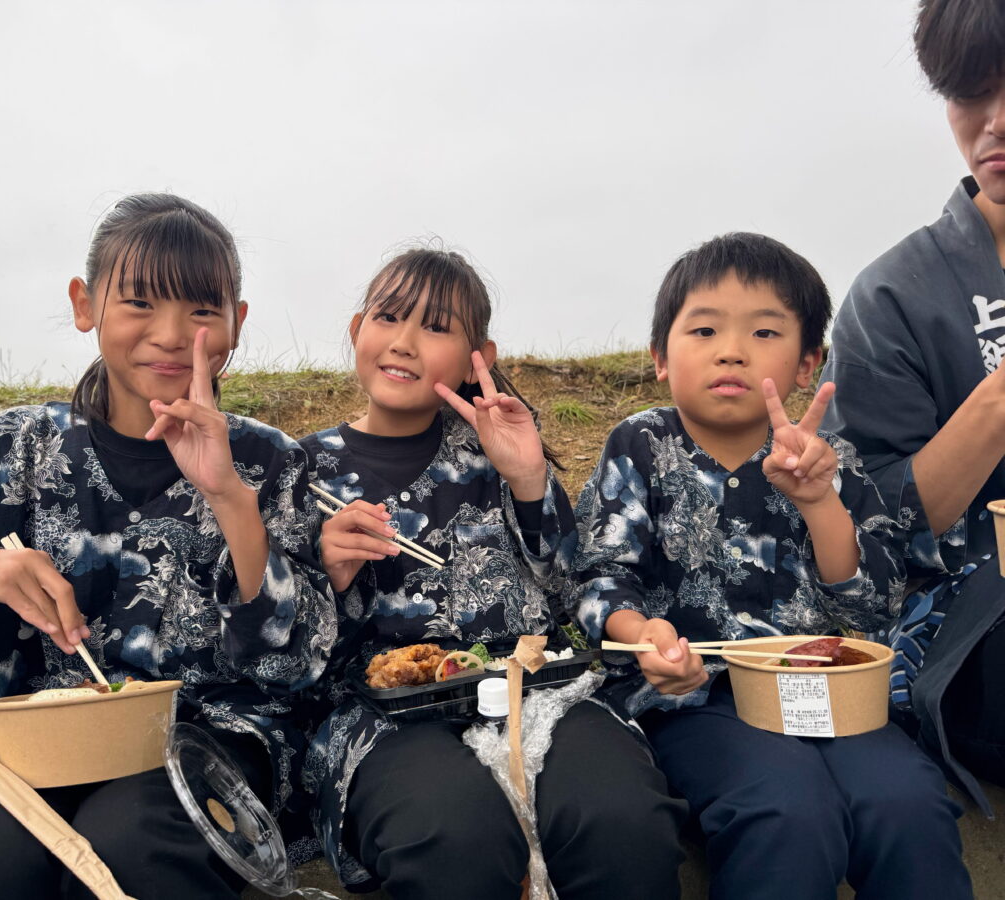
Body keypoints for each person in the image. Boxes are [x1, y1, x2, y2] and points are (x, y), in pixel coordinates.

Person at [0, 193, 334, 899]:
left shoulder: (271, 464)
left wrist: (231, 500)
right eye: (140, 302)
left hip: (217, 748)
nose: (173, 334)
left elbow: (296, 662)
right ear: (85, 305)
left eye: (202, 310)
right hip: (47, 752)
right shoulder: (10, 454)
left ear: (236, 322)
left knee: (133, 845)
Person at [568, 232, 971, 899]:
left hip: (828, 697)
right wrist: (646, 637)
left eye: (763, 331)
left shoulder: (828, 458)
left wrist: (818, 502)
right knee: (786, 808)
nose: (730, 350)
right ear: (661, 357)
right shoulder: (640, 442)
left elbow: (868, 611)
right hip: (695, 701)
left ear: (808, 363)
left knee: (908, 804)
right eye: (703, 329)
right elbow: (599, 580)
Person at [299, 247, 686, 899]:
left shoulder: (497, 448)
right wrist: (328, 575)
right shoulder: (301, 472)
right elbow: (277, 657)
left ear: (479, 352)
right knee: (451, 835)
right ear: (357, 328)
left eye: (436, 327)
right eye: (389, 317)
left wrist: (531, 480)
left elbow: (576, 593)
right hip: (381, 718)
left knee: (623, 817)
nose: (405, 343)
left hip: (539, 690)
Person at [821, 0, 1005, 812]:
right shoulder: (893, 296)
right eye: (972, 94)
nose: (995, 122)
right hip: (970, 643)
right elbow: (872, 526)